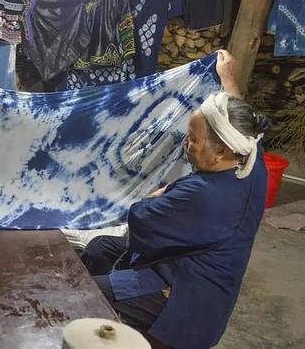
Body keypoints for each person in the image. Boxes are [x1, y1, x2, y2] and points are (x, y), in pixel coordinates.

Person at [80, 51, 269, 349]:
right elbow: (242, 119)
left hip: (183, 295)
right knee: (100, 247)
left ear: (220, 151)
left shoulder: (201, 194)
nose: (186, 143)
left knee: (83, 293)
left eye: (193, 139)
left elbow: (140, 217)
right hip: (194, 267)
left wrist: (161, 192)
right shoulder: (250, 160)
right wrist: (228, 78)